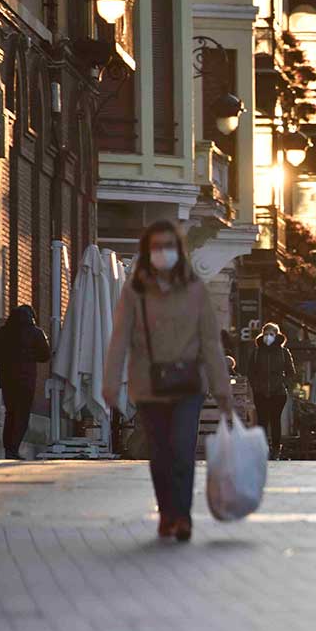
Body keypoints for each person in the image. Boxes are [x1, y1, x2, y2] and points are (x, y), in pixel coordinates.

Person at [102, 221, 232, 542]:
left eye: (169, 246)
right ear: (148, 252)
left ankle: (183, 516)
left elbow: (211, 343)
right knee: (159, 454)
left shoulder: (196, 290)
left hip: (188, 383)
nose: (164, 253)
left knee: (183, 450)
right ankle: (167, 513)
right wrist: (109, 382)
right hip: (148, 384)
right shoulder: (135, 292)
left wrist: (222, 389)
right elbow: (119, 339)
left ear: (180, 250)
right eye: (157, 247)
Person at [0, 305, 50, 459]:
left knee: (10, 413)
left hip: (7, 380)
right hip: (26, 380)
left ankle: (8, 450)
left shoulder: (3, 333)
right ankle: (14, 448)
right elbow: (45, 355)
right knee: (22, 415)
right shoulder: (36, 333)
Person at [247, 322, 296, 458]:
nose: (268, 337)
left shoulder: (284, 352)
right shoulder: (256, 353)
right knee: (262, 421)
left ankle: (275, 449)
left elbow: (291, 372)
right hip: (260, 392)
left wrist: (282, 384)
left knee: (275, 420)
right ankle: (262, 449)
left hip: (278, 393)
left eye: (271, 334)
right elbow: (250, 372)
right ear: (262, 335)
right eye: (266, 334)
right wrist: (256, 387)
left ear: (277, 335)